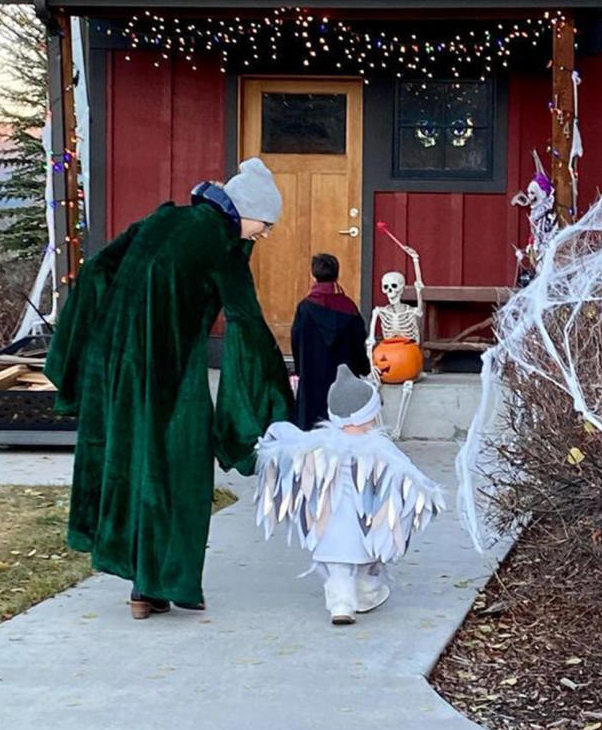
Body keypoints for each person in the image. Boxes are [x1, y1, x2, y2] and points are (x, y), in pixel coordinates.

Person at [46, 157, 294, 620]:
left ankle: (144, 590)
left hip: (119, 369)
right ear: (245, 212)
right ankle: (162, 582)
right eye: (265, 224)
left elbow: (99, 266)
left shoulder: (162, 219)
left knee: (131, 462)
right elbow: (247, 325)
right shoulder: (223, 246)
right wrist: (273, 398)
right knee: (178, 473)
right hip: (172, 378)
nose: (264, 234)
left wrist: (93, 341)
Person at [254, 364, 444, 625]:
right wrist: (427, 493)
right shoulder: (378, 448)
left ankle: (341, 604)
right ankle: (367, 591)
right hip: (362, 523)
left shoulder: (317, 447)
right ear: (370, 414)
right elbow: (405, 473)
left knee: (338, 569)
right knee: (367, 559)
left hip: (328, 523)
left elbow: (291, 456)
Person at [290, 253, 371, 430]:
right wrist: (364, 367)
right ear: (337, 274)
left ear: (313, 275)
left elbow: (296, 340)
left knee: (311, 426)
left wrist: (299, 369)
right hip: (343, 376)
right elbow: (359, 340)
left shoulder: (305, 308)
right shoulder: (348, 307)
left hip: (312, 376)